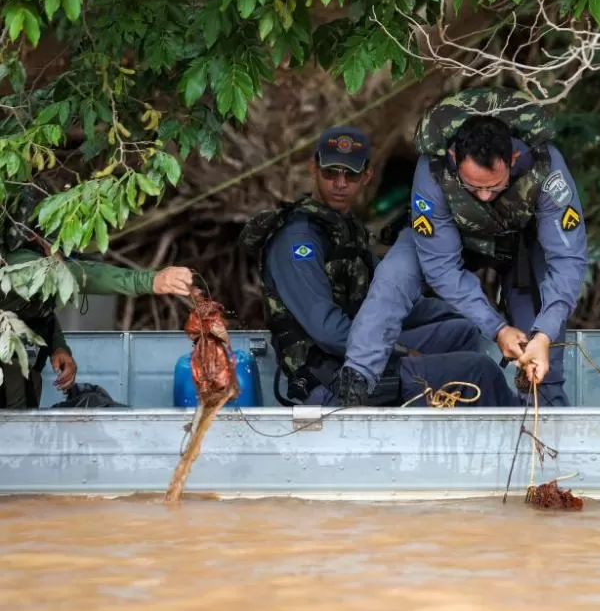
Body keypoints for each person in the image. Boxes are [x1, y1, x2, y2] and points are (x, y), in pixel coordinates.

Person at [338, 87, 589, 407]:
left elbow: (567, 259)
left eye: (494, 186)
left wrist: (543, 335)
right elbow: (440, 267)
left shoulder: (546, 167)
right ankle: (358, 380)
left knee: (537, 342)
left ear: (512, 159)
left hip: (520, 244)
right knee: (395, 273)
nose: (484, 196)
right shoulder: (433, 169)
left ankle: (545, 405)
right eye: (474, 187)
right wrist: (497, 329)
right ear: (455, 159)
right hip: (449, 238)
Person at [238, 125, 519, 408]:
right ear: (314, 168)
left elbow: (392, 300)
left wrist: (480, 317)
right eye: (330, 173)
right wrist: (401, 353)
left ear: (367, 176)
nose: (340, 183)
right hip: (329, 377)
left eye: (351, 174)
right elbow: (326, 331)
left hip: (359, 351)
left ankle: (435, 422)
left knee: (463, 330)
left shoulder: (347, 231)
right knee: (480, 369)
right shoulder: (298, 238)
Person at [1, 185, 194, 409]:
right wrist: (150, 281)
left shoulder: (41, 261)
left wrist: (58, 347)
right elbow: (86, 275)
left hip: (26, 367)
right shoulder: (23, 266)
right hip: (9, 371)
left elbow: (36, 312)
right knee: (17, 430)